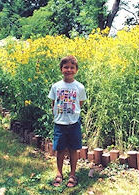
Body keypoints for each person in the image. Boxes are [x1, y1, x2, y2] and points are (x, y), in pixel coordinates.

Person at [48, 55, 87, 188]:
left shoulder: (79, 87)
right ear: (61, 69)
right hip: (60, 123)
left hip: (74, 123)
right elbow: (53, 103)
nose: (69, 70)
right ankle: (59, 173)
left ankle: (72, 174)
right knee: (60, 149)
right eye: (66, 67)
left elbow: (79, 103)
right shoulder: (56, 86)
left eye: (72, 67)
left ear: (76, 70)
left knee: (73, 149)